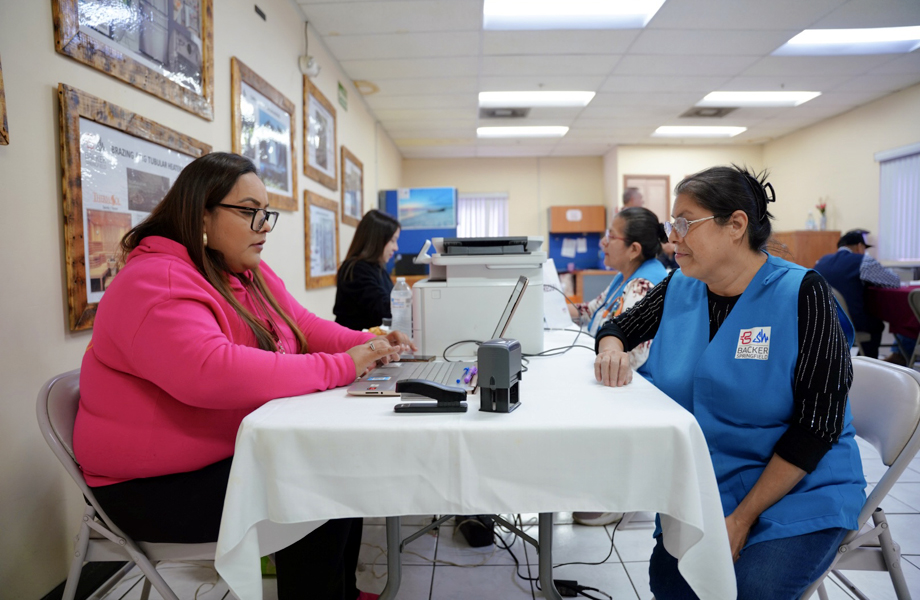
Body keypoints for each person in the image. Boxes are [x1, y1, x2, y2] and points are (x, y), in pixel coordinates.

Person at [73, 153, 414, 600]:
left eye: (265, 213)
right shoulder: (155, 281)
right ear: (202, 215)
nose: (264, 225)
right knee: (321, 476)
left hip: (215, 456)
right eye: (249, 211)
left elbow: (303, 327)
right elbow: (212, 372)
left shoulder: (244, 270)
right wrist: (344, 364)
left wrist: (370, 344)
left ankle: (337, 591)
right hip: (148, 490)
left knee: (335, 460)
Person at [594, 165, 865, 599]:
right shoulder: (682, 284)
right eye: (671, 225)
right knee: (670, 587)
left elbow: (818, 427)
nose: (671, 238)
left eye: (684, 224)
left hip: (797, 489)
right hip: (708, 483)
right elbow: (619, 327)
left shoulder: (801, 294)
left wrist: (740, 521)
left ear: (736, 225)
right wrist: (610, 349)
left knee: (746, 590)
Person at [569, 207, 668, 527]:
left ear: (634, 249)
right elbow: (588, 312)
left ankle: (617, 495)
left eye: (611, 236)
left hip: (637, 383)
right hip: (609, 368)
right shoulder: (622, 278)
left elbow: (634, 358)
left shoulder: (644, 285)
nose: (603, 242)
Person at [814, 229, 902, 359]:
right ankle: (868, 363)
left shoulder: (821, 262)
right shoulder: (863, 261)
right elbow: (894, 281)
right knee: (876, 324)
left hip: (823, 321)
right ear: (860, 246)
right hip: (850, 322)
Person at [334, 210, 401, 331]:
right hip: (356, 344)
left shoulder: (378, 269)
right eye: (392, 240)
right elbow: (384, 311)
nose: (396, 247)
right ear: (377, 239)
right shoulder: (356, 270)